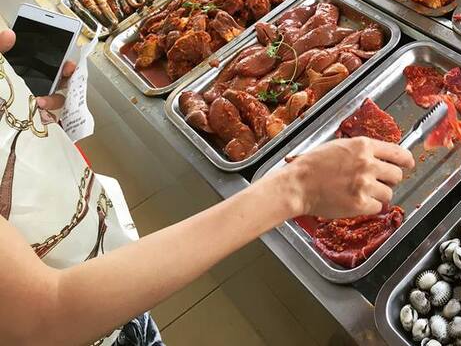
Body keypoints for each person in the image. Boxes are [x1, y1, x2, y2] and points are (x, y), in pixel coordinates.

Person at [0, 28, 415, 346]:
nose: (6, 36)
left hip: (105, 283)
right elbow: (44, 316)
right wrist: (296, 187)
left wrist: (23, 118)